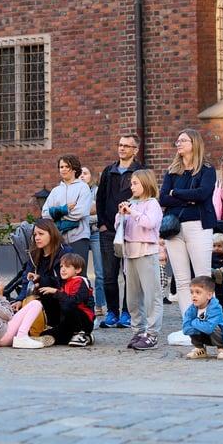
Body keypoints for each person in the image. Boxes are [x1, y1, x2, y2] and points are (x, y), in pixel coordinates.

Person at [160, 128, 218, 343]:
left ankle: (207, 323)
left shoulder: (207, 169)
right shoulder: (172, 170)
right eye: (177, 140)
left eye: (183, 140)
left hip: (198, 226)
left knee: (202, 278)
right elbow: (163, 198)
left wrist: (177, 194)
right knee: (183, 280)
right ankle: (189, 326)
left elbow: (203, 194)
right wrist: (185, 197)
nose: (178, 143)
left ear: (194, 143)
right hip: (174, 229)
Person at [96, 134, 143, 328]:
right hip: (109, 229)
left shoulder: (141, 172)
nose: (122, 148)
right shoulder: (109, 171)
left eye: (126, 146)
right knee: (109, 274)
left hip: (132, 229)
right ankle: (112, 312)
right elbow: (100, 199)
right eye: (120, 145)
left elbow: (146, 197)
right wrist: (102, 224)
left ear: (135, 150)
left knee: (129, 274)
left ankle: (127, 313)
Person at [115, 169, 163, 350]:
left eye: (135, 183)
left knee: (152, 295)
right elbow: (118, 226)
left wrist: (132, 213)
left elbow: (149, 223)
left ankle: (152, 334)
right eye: (131, 184)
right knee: (132, 297)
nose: (132, 187)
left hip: (146, 252)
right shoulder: (131, 203)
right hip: (130, 253)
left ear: (146, 183)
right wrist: (121, 215)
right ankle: (138, 330)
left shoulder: (152, 204)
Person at [13, 218, 73, 328]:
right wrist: (20, 300)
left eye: (41, 234)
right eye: (35, 234)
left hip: (60, 298)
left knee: (45, 288)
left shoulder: (65, 252)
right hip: (39, 297)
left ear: (51, 234)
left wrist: (40, 280)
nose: (37, 238)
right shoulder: (34, 254)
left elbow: (67, 281)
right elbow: (26, 280)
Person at [38, 253, 96, 346]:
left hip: (83, 321)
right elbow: (52, 281)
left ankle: (80, 334)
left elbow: (75, 300)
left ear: (78, 270)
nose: (63, 270)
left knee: (67, 304)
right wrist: (39, 279)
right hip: (68, 321)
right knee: (45, 334)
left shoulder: (80, 281)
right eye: (61, 266)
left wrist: (55, 292)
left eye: (67, 267)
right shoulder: (64, 282)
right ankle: (86, 338)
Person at [42, 154, 92, 260]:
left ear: (74, 169)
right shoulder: (55, 191)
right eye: (61, 167)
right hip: (59, 239)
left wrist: (56, 215)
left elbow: (81, 213)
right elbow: (45, 214)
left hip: (79, 238)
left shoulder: (83, 188)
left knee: (78, 273)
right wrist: (63, 209)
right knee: (61, 273)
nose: (63, 169)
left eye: (67, 167)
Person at [182, 275, 223, 360]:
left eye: (198, 292)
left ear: (209, 295)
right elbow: (185, 329)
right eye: (192, 292)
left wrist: (194, 322)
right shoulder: (191, 309)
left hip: (219, 336)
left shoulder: (215, 307)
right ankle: (200, 349)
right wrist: (196, 324)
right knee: (192, 328)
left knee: (215, 327)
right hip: (203, 334)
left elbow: (209, 328)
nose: (194, 295)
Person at [80, 165, 106, 318]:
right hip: (81, 234)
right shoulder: (76, 192)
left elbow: (100, 215)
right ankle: (84, 301)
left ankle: (99, 305)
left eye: (86, 173)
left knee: (100, 272)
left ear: (92, 176)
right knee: (80, 271)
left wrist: (84, 217)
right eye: (81, 173)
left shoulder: (97, 191)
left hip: (95, 234)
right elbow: (74, 214)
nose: (83, 176)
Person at [210, 232, 223, 306]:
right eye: (214, 246)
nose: (216, 248)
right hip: (213, 275)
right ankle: (216, 273)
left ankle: (219, 273)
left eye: (219, 246)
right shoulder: (210, 255)